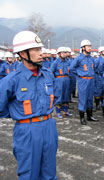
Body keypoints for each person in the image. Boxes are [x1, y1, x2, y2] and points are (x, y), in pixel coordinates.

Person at [0, 31, 58, 179]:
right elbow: (1, 108)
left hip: (49, 126)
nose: (41, 53)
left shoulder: (47, 74)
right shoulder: (11, 80)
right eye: (36, 50)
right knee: (29, 175)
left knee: (50, 173)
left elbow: (54, 96)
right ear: (23, 54)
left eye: (41, 49)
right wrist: (18, 113)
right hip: (27, 130)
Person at [70, 39, 98, 125]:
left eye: (90, 46)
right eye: (88, 46)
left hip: (91, 80)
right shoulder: (79, 58)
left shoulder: (91, 58)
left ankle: (90, 116)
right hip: (83, 80)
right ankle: (82, 117)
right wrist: (79, 74)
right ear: (83, 48)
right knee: (83, 98)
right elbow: (71, 68)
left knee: (90, 98)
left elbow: (95, 67)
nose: (90, 48)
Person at [50, 47, 72, 118]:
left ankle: (65, 111)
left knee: (66, 96)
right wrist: (54, 81)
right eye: (63, 52)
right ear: (59, 54)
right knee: (59, 96)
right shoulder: (55, 62)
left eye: (65, 52)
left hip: (66, 79)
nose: (64, 54)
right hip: (59, 80)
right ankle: (58, 112)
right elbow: (51, 72)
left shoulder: (68, 62)